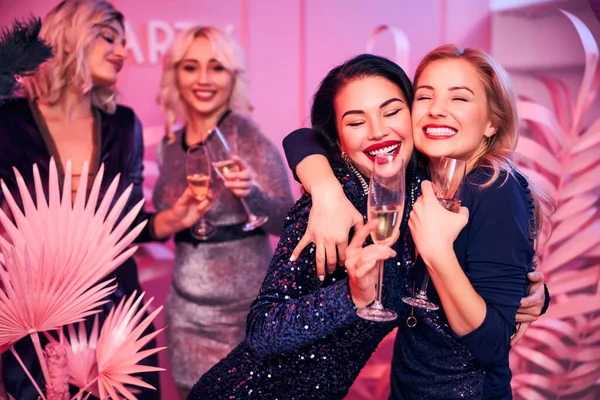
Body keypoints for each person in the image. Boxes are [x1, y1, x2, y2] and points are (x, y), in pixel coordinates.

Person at [282, 45, 552, 399]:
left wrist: (438, 252)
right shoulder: (416, 174)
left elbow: (492, 344)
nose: (437, 109)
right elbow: (302, 138)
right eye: (425, 96)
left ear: (491, 122)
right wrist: (326, 190)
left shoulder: (493, 190)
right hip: (408, 386)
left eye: (459, 99)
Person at [0, 1, 207, 399]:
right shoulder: (9, 121)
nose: (120, 51)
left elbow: (126, 225)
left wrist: (172, 219)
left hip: (115, 304)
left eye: (125, 42)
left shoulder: (122, 123)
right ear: (69, 39)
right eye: (107, 37)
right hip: (36, 313)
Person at [153, 26, 294, 399]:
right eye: (190, 67)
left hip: (243, 318)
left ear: (233, 77)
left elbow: (289, 222)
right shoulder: (168, 147)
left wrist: (255, 196)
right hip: (184, 316)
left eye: (216, 67)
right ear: (175, 75)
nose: (203, 79)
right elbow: (164, 222)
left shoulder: (248, 139)